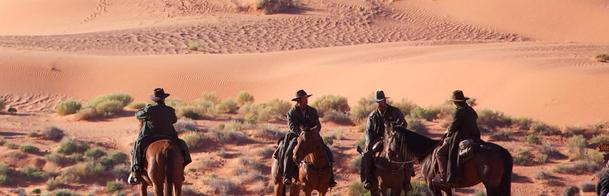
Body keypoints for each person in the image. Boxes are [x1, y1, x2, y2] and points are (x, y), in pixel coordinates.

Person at [128, 88, 192, 185]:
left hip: (150, 137)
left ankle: (136, 172)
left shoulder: (149, 109)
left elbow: (138, 115)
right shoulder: (170, 110)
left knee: (136, 146)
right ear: (164, 99)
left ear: (154, 99)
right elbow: (174, 120)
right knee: (183, 145)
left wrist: (144, 109)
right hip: (169, 137)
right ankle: (181, 170)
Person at [280, 89, 337, 187]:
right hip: (297, 136)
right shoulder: (291, 113)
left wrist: (314, 132)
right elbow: (292, 127)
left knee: (327, 152)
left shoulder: (312, 111)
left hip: (313, 136)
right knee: (289, 151)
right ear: (298, 100)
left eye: (306, 98)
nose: (306, 100)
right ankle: (287, 176)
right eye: (304, 98)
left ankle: (331, 178)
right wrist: (302, 134)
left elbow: (318, 125)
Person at [362, 90, 411, 189]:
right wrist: (368, 142)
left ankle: (407, 181)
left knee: (407, 153)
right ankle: (368, 179)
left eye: (381, 101)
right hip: (378, 140)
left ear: (385, 100)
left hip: (394, 139)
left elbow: (404, 124)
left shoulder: (395, 111)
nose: (380, 103)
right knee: (367, 154)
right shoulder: (372, 116)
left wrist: (398, 131)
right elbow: (368, 131)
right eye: (378, 101)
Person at [433, 90, 481, 186]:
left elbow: (454, 126)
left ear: (456, 102)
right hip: (474, 135)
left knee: (440, 153)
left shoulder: (459, 111)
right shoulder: (471, 110)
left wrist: (448, 133)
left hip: (461, 137)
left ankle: (444, 177)